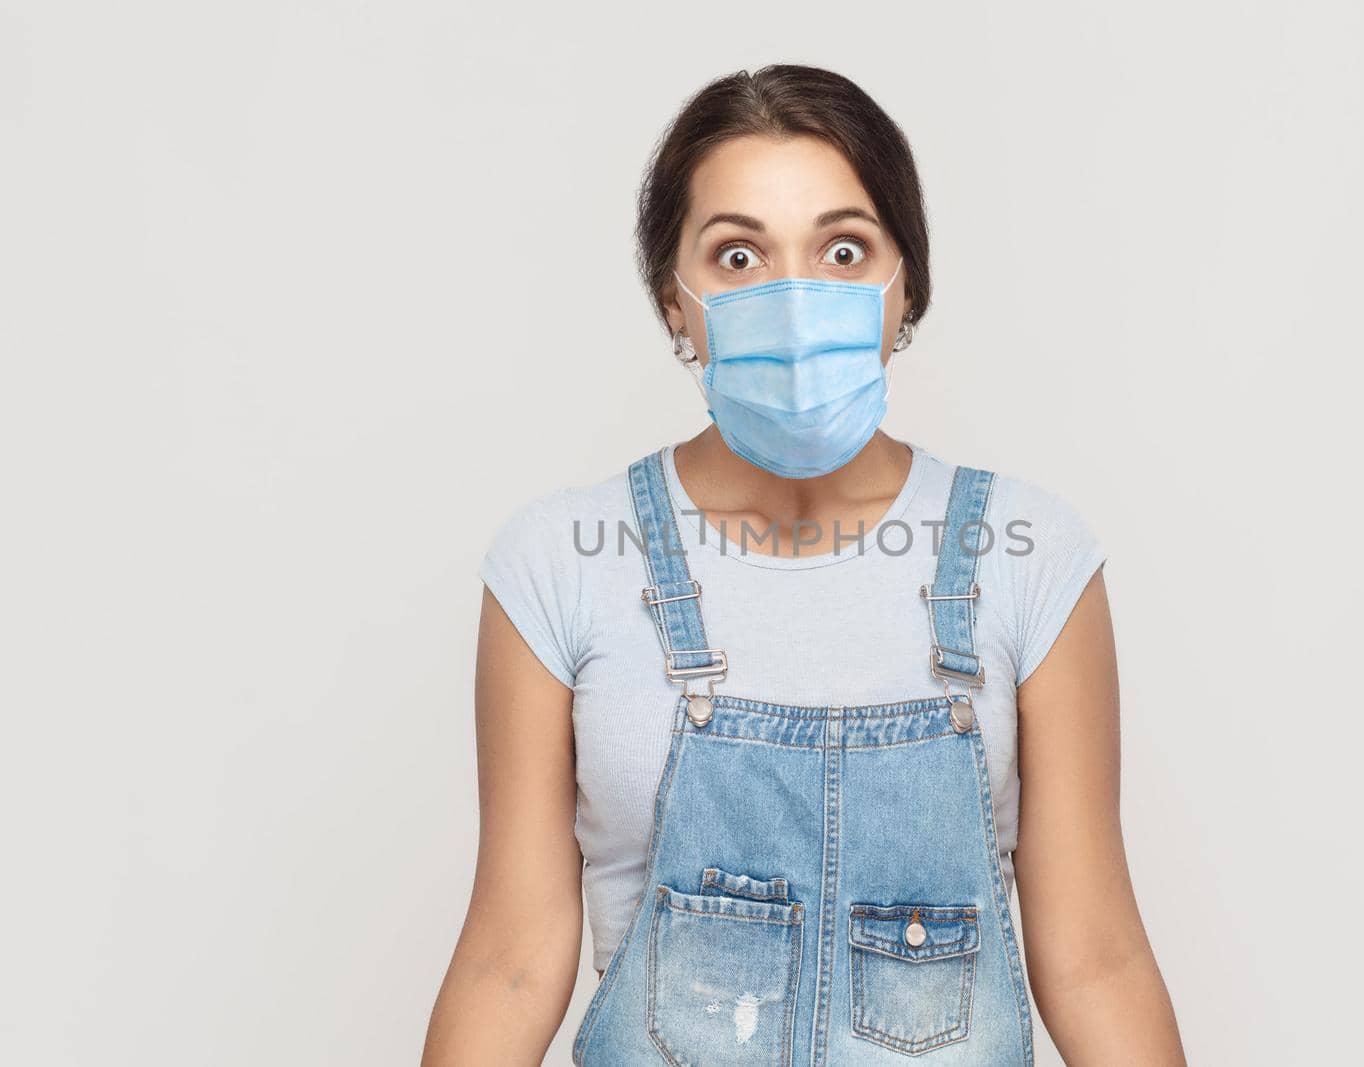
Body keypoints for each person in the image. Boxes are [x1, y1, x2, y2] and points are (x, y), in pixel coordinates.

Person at [423, 64, 1186, 1066]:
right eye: (738, 255)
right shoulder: (558, 561)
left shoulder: (1028, 553)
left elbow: (1094, 959)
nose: (792, 300)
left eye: (841, 248)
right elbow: (509, 964)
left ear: (902, 283)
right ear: (675, 304)